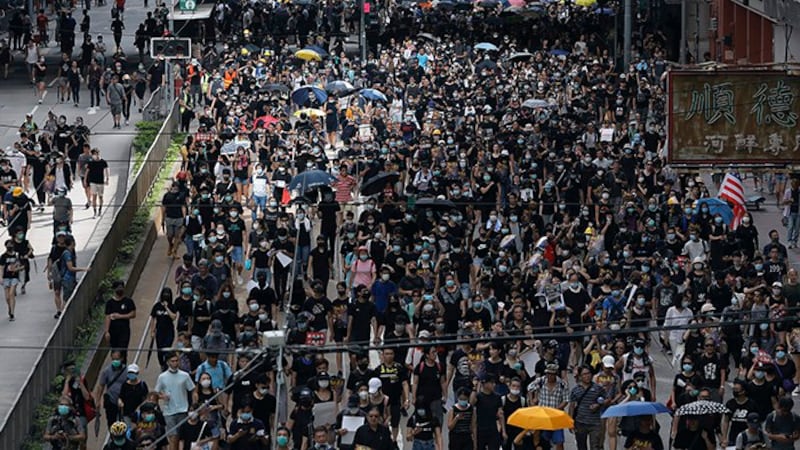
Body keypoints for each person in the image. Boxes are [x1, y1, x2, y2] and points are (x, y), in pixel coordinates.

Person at [155, 352, 196, 450]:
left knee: (182, 438)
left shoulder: (185, 375)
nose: (175, 363)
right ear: (168, 362)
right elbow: (156, 392)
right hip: (169, 411)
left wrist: (194, 405)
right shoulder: (162, 377)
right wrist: (162, 396)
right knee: (173, 437)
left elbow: (193, 389)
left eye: (177, 361)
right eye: (172, 361)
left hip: (183, 410)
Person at [569, 366, 605, 450]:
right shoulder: (575, 390)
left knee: (595, 446)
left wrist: (598, 404)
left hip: (595, 423)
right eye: (584, 374)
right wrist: (570, 422)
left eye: (588, 373)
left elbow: (605, 399)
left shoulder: (598, 388)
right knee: (581, 446)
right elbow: (572, 406)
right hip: (580, 422)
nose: (587, 376)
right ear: (580, 376)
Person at [104, 280, 136, 361]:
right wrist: (107, 331)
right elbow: (107, 317)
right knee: (114, 351)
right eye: (118, 288)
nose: (120, 290)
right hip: (113, 332)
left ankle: (123, 367)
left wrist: (120, 316)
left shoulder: (128, 301)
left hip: (124, 331)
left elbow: (133, 314)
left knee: (122, 351)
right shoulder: (110, 303)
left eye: (121, 288)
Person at [84, 148, 109, 218]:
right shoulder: (91, 162)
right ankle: (95, 212)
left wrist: (107, 179)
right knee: (94, 197)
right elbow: (87, 172)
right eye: (94, 154)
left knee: (100, 197)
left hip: (100, 181)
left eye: (96, 154)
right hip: (93, 182)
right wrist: (85, 180)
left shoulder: (103, 162)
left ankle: (100, 210)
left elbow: (106, 170)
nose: (95, 155)